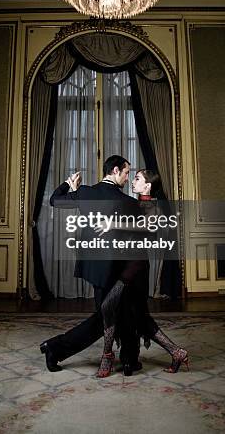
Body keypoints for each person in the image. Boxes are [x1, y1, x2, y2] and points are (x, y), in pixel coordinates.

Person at [40, 155, 142, 373]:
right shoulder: (128, 202)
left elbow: (54, 200)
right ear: (115, 171)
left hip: (95, 267)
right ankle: (55, 347)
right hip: (118, 267)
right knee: (111, 315)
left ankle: (128, 359)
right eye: (126, 172)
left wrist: (69, 185)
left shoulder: (85, 193)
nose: (127, 177)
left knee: (112, 313)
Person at [95, 169, 189, 377]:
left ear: (148, 185)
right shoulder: (136, 203)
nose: (133, 181)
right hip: (126, 262)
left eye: (137, 179)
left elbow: (147, 225)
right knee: (139, 318)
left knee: (108, 305)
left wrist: (113, 224)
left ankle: (107, 355)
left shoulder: (152, 205)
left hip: (136, 265)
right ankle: (177, 352)